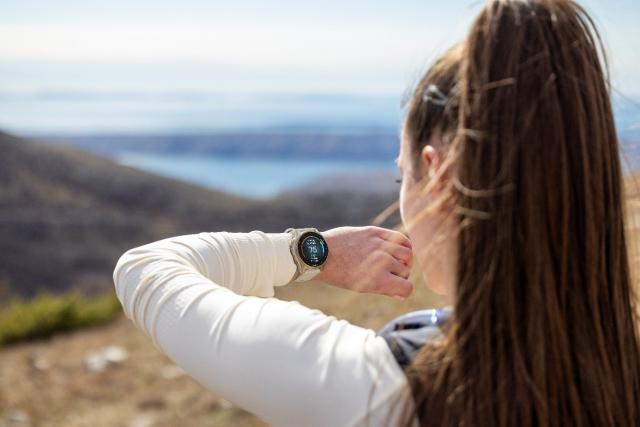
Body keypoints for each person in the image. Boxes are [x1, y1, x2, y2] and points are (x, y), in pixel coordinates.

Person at [113, 1, 640, 426]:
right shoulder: (619, 366)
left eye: (402, 176)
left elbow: (146, 270)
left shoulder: (378, 388)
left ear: (438, 176)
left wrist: (312, 253)